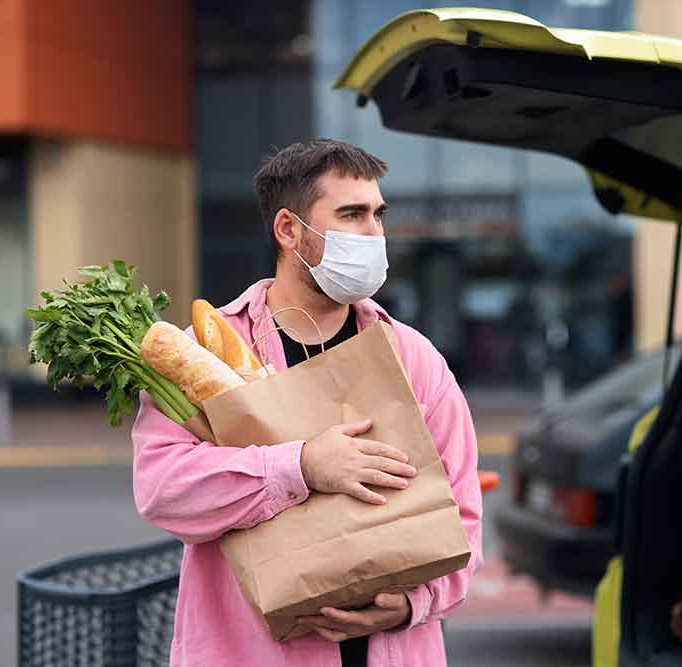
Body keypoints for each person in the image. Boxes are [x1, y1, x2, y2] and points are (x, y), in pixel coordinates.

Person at [131, 139, 483, 666]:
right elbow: (163, 489)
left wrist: (412, 602)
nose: (374, 233)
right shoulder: (204, 350)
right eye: (352, 214)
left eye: (378, 215)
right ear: (289, 230)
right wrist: (300, 466)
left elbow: (465, 518)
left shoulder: (413, 357)